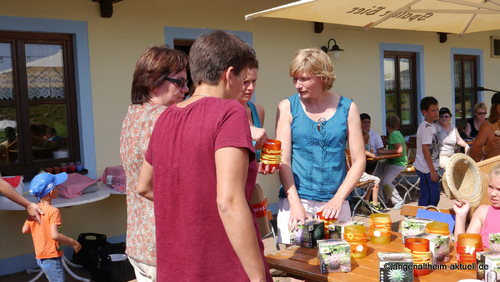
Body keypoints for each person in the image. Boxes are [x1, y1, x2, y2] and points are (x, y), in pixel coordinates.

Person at [137, 30, 271, 281]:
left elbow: (144, 186)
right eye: (243, 80)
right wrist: (258, 277)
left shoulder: (166, 116)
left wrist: (191, 207)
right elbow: (229, 201)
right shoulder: (229, 112)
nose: (245, 87)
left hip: (175, 266)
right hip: (222, 264)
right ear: (229, 75)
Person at [275, 48, 365, 244]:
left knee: (335, 264)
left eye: (305, 79)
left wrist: (338, 199)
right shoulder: (287, 107)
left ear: (322, 77)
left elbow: (359, 161)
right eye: (295, 78)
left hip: (335, 201)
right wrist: (295, 204)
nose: (298, 85)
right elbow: (283, 160)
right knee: (297, 268)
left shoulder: (348, 108)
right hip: (297, 200)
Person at [120, 45, 189, 281]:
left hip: (139, 241)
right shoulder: (165, 117)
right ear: (153, 82)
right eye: (179, 82)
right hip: (165, 242)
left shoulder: (133, 115)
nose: (186, 89)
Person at [22, 172, 81, 281]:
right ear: (52, 191)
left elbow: (24, 230)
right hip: (52, 256)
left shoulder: (35, 211)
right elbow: (55, 235)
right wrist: (73, 242)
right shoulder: (53, 211)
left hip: (40, 257)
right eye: (56, 186)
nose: (58, 188)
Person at [453, 163, 500, 247]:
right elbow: (463, 246)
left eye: (499, 189)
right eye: (490, 187)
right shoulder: (482, 212)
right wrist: (461, 215)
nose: (493, 193)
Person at [237, 57, 268, 163]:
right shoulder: (221, 110)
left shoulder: (258, 110)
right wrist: (247, 131)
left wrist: (263, 164)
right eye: (245, 82)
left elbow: (256, 157)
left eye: (254, 81)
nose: (251, 87)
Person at [414, 96, 440, 207]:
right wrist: (432, 171)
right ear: (424, 112)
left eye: (437, 110)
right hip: (426, 168)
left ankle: (428, 218)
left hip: (430, 167)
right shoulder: (425, 128)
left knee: (433, 196)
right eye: (433, 110)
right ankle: (423, 217)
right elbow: (425, 150)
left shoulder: (432, 125)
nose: (436, 113)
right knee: (430, 196)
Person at [377, 115, 407, 210]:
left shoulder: (394, 135)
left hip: (397, 163)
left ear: (386, 125)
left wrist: (384, 152)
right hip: (395, 162)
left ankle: (398, 201)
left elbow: (400, 150)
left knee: (385, 181)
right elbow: (405, 147)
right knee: (377, 178)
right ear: (398, 125)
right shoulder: (398, 133)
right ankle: (381, 200)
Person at [470, 93, 500, 162]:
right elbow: (473, 153)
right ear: (495, 107)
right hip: (491, 169)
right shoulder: (487, 126)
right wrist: (488, 147)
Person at [359, 130, 383, 212]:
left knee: (371, 181)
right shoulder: (362, 149)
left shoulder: (351, 149)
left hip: (351, 175)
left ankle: (366, 202)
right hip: (358, 175)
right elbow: (373, 156)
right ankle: (375, 204)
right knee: (376, 180)